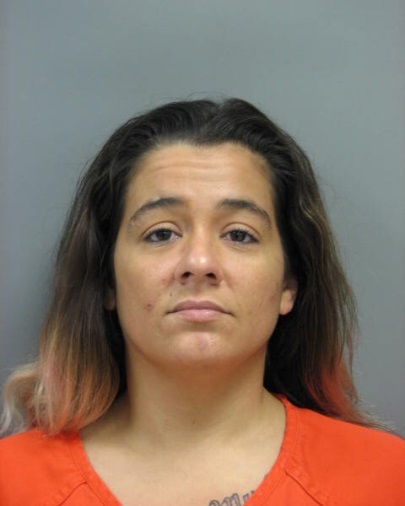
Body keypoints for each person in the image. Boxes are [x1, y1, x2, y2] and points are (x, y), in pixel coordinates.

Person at [0, 98, 404, 505]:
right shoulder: (11, 482)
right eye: (161, 233)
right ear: (108, 281)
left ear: (288, 285)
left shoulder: (388, 478)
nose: (199, 263)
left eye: (239, 234)